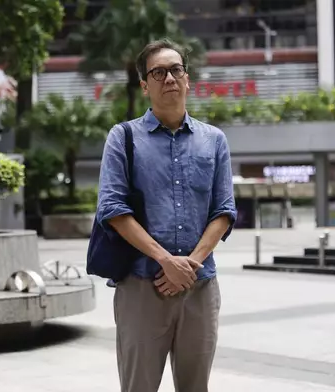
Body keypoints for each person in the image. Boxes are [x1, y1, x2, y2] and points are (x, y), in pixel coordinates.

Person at [95, 39, 237, 392]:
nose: (169, 78)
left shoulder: (214, 140)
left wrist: (189, 265)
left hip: (200, 288)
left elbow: (224, 210)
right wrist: (165, 261)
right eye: (158, 72)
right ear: (145, 85)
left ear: (187, 79)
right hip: (142, 287)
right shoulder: (123, 137)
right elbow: (112, 209)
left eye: (176, 70)